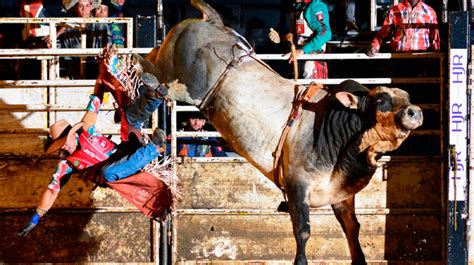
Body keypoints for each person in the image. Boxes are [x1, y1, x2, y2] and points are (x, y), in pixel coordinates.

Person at [16, 68, 168, 236]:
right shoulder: (67, 164)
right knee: (107, 172)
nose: (64, 147)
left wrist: (102, 74)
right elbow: (52, 190)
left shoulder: (87, 128)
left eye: (65, 142)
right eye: (61, 146)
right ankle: (156, 147)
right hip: (121, 172)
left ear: (73, 134)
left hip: (128, 153)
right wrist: (35, 219)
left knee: (130, 118)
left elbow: (95, 100)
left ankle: (154, 97)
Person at [366, 0, 440, 57]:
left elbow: (435, 39)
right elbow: (382, 34)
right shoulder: (394, 11)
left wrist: (436, 57)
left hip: (422, 57)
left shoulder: (429, 12)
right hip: (398, 57)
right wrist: (374, 47)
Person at [286, 0, 332, 79]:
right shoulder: (299, 7)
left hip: (313, 59)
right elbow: (296, 34)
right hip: (300, 58)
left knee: (313, 89)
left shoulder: (316, 6)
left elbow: (326, 33)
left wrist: (303, 50)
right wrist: (282, 38)